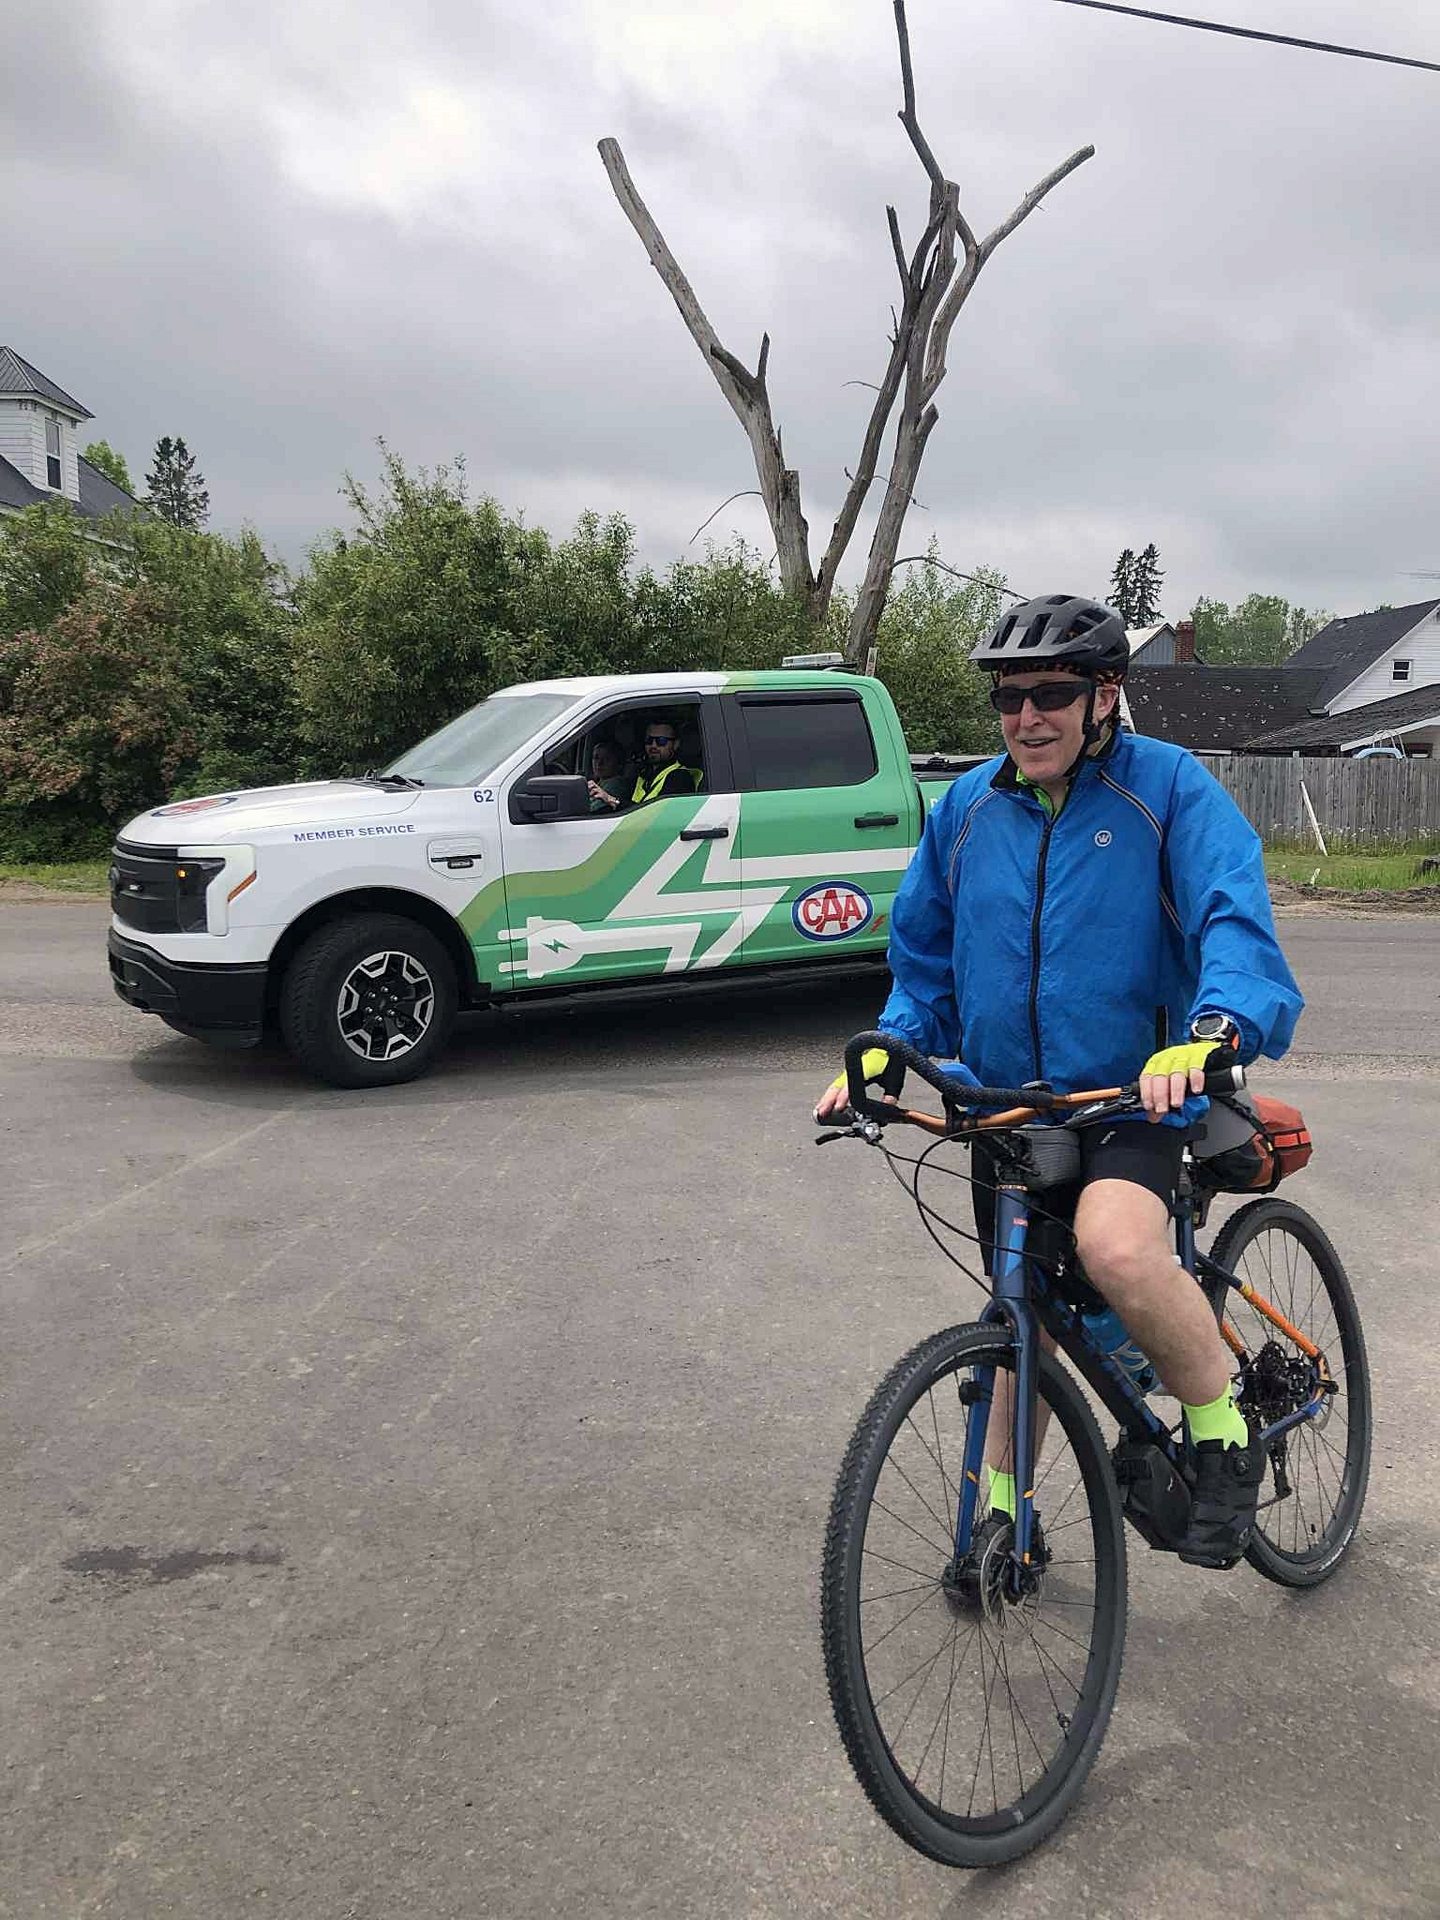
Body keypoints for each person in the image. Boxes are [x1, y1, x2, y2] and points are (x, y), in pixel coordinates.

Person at [813, 592, 1304, 1569]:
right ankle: (1000, 1522)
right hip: (1010, 1109)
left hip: (1136, 1096)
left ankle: (1223, 1435)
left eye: (1050, 693)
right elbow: (926, 971)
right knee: (1020, 1318)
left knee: (1116, 1252)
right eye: (1009, 698)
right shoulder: (966, 811)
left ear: (1104, 695)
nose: (1026, 717)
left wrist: (1211, 1030)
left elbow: (1233, 923)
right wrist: (882, 1050)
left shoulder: (1166, 790)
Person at [589, 715, 701, 811]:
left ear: (675, 744)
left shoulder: (679, 777)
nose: (653, 746)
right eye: (649, 740)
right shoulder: (644, 774)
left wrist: (611, 799)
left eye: (661, 741)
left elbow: (653, 815)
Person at [586, 737, 630, 813]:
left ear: (619, 764)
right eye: (596, 758)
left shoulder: (616, 784)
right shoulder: (599, 782)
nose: (599, 763)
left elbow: (591, 810)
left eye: (607, 759)